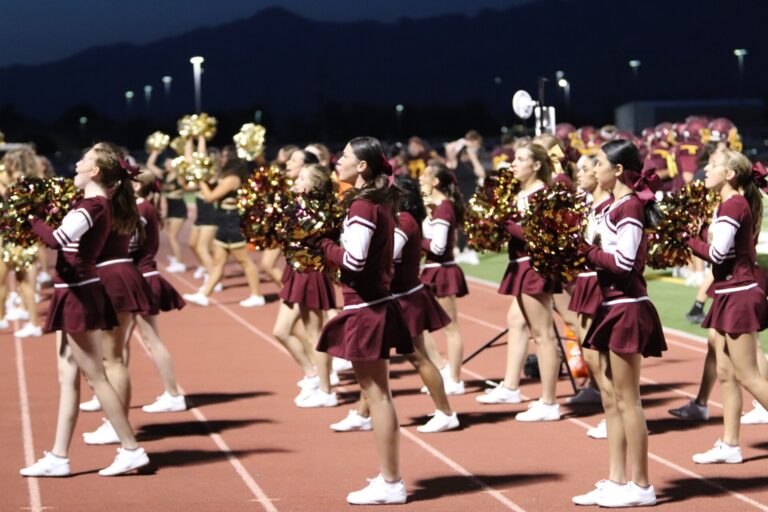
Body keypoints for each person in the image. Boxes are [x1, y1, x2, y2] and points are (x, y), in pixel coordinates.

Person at [21, 142, 149, 477]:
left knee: (95, 375)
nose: (76, 164)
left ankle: (131, 449)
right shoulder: (91, 203)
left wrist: (30, 218)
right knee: (67, 376)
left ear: (94, 172)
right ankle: (59, 456)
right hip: (73, 291)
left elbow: (57, 239)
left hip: (78, 293)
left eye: (83, 160)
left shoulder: (92, 206)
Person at [313, 136, 412, 505]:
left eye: (346, 157)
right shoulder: (379, 205)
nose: (338, 161)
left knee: (378, 396)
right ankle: (390, 478)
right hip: (375, 303)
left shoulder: (363, 206)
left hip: (365, 307)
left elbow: (353, 261)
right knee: (379, 395)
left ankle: (391, 482)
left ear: (362, 167)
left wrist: (322, 244)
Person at [572, 140, 666, 508]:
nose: (594, 169)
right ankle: (617, 479)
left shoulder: (629, 207)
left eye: (599, 164)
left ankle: (642, 486)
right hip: (613, 306)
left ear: (617, 170)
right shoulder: (612, 205)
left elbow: (625, 262)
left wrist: (587, 251)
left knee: (629, 401)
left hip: (628, 308)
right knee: (612, 400)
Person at [330, 175, 458, 433]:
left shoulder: (404, 222)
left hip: (404, 299)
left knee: (416, 357)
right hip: (400, 296)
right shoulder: (399, 219)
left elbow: (387, 257)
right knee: (381, 357)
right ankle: (362, 412)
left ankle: (446, 412)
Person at [685, 150, 768, 463]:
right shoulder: (727, 203)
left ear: (730, 174)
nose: (706, 169)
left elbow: (717, 255)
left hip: (740, 294)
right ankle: (730, 444)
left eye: (714, 165)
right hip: (728, 293)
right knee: (726, 373)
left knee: (748, 376)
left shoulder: (734, 204)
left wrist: (686, 238)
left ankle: (730, 443)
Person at [79, 144, 156, 445]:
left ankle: (116, 425)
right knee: (114, 357)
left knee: (112, 359)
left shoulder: (101, 203)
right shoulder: (122, 199)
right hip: (122, 274)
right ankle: (114, 420)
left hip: (110, 277)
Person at [483, 144, 564, 422]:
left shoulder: (542, 194)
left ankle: (550, 402)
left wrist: (505, 222)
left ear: (537, 165)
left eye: (520, 159)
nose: (513, 164)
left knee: (543, 335)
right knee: (517, 322)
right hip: (520, 265)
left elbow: (536, 237)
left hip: (534, 267)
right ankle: (511, 387)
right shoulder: (521, 193)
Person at [274, 163, 339, 408]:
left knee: (316, 335)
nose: (296, 179)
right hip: (296, 270)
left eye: (302, 177)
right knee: (281, 331)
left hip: (310, 271)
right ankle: (314, 376)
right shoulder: (299, 206)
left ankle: (326, 390)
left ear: (312, 185)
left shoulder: (314, 210)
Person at [567, 154, 613, 438]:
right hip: (585, 281)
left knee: (600, 355)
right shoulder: (588, 207)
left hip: (599, 282)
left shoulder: (607, 208)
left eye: (587, 168)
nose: (580, 174)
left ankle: (615, 414)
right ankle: (612, 410)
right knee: (591, 354)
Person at [183, 157, 265, 307]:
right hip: (223, 222)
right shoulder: (227, 178)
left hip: (231, 223)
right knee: (218, 262)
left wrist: (200, 180)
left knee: (244, 261)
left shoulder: (232, 179)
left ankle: (257, 295)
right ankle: (204, 295)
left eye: (225, 157)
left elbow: (210, 197)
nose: (222, 159)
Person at [419, 161, 469, 395]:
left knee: (450, 327)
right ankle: (440, 369)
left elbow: (438, 247)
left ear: (435, 181)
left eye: (425, 175)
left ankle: (455, 379)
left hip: (443, 270)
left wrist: (412, 240)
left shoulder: (445, 208)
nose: (420, 178)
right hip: (432, 269)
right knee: (419, 325)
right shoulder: (433, 207)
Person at [147, 148, 188, 273]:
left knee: (172, 237)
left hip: (179, 208)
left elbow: (186, 186)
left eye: (168, 162)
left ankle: (180, 263)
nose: (166, 164)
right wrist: (155, 150)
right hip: (170, 209)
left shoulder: (180, 176)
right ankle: (176, 259)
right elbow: (150, 165)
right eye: (165, 162)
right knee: (170, 236)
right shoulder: (164, 174)